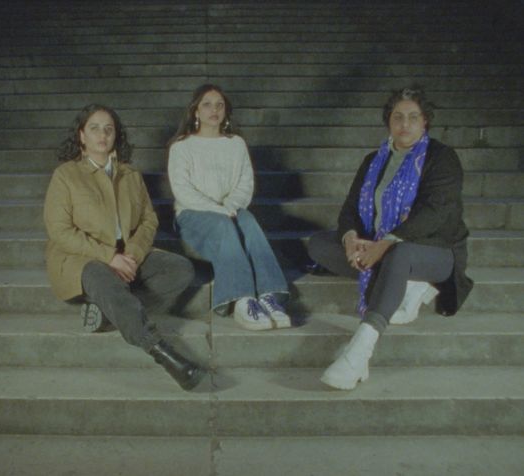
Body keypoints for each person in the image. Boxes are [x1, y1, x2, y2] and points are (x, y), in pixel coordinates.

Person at [308, 86, 474, 390]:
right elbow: (349, 209)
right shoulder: (375, 159)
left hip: (434, 250)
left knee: (400, 255)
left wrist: (386, 242)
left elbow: (435, 214)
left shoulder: (442, 158)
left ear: (425, 122)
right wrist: (350, 240)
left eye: (413, 117)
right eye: (398, 117)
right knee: (319, 244)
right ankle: (404, 282)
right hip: (378, 245)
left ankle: (359, 351)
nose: (405, 124)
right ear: (389, 122)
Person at [43, 104, 205, 391]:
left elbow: (148, 220)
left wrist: (131, 255)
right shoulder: (66, 176)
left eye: (109, 128)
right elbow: (59, 230)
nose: (102, 134)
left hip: (126, 256)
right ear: (82, 136)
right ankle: (162, 352)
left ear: (116, 135)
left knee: (180, 270)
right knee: (100, 275)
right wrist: (109, 257)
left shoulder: (130, 175)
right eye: (94, 128)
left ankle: (107, 313)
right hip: (82, 259)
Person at [167, 84, 292, 331]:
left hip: (230, 211)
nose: (214, 109)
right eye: (207, 104)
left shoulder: (236, 144)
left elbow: (246, 184)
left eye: (219, 105)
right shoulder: (181, 147)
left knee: (248, 220)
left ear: (226, 111)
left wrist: (231, 206)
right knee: (227, 224)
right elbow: (183, 192)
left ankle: (269, 294)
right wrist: (221, 210)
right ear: (195, 111)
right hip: (193, 215)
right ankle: (242, 299)